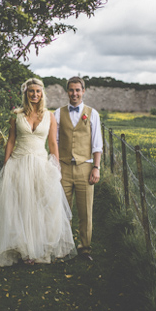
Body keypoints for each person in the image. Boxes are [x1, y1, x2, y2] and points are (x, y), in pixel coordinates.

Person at [0, 78, 77, 266]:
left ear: (42, 93)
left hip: (40, 165)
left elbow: (53, 143)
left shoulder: (49, 116)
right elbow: (11, 140)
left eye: (38, 91)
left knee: (40, 207)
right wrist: (6, 164)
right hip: (18, 163)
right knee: (19, 207)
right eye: (31, 91)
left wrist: (56, 166)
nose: (34, 95)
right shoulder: (16, 115)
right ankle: (22, 250)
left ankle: (37, 248)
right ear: (25, 93)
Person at [55, 76, 103, 262]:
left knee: (85, 211)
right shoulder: (58, 114)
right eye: (71, 90)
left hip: (85, 168)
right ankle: (64, 247)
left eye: (78, 90)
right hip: (64, 168)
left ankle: (85, 248)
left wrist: (96, 168)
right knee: (62, 210)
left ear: (83, 91)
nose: (74, 93)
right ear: (67, 92)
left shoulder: (93, 114)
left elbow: (97, 144)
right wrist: (56, 166)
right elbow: (55, 142)